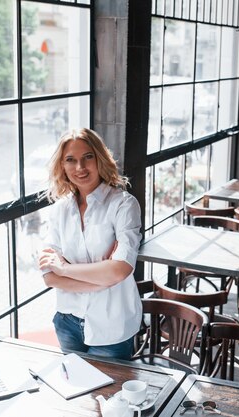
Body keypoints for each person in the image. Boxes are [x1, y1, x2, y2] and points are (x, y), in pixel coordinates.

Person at [38, 128, 142, 360]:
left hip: (111, 325)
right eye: (70, 160)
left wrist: (65, 268)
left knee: (110, 396)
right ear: (62, 166)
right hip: (67, 321)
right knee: (76, 392)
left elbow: (119, 270)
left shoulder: (124, 205)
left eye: (88, 157)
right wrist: (101, 280)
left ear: (100, 158)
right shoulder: (59, 210)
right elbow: (49, 277)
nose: (80, 168)